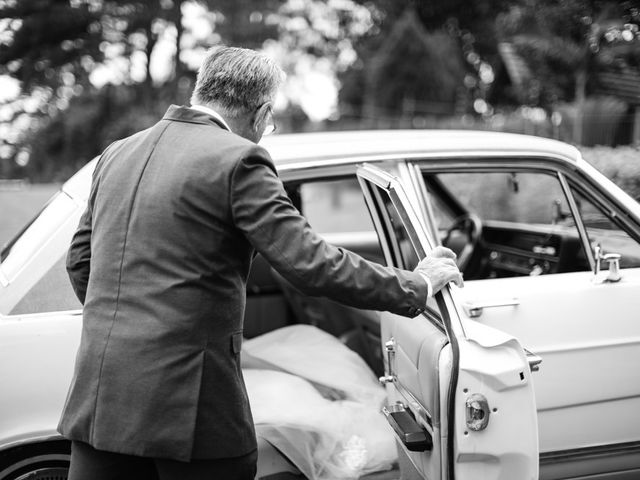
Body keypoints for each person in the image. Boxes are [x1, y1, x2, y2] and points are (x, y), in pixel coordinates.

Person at [59, 45, 463, 480]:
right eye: (268, 123)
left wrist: (133, 322)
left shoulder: (118, 152)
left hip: (101, 395)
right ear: (260, 112)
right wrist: (415, 284)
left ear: (202, 91)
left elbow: (81, 262)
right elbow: (310, 262)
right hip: (189, 404)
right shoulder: (238, 159)